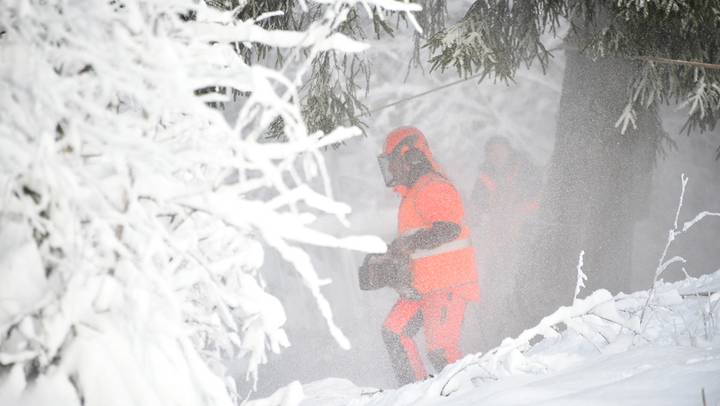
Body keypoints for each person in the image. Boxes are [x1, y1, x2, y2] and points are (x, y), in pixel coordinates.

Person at [358, 126, 479, 386]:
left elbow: (449, 228)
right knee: (394, 331)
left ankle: (473, 396)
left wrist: (408, 244)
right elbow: (416, 242)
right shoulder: (414, 193)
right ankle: (413, 395)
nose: (391, 169)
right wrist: (393, 258)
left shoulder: (433, 186)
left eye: (393, 162)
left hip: (448, 284)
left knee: (441, 351)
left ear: (410, 156)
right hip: (423, 286)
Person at [468, 136, 542, 347]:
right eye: (491, 152)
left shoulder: (526, 171)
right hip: (498, 244)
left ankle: (528, 332)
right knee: (494, 289)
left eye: (499, 151)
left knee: (524, 286)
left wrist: (518, 216)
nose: (496, 156)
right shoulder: (485, 178)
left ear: (509, 151)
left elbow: (538, 201)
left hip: (525, 239)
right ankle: (495, 337)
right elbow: (477, 208)